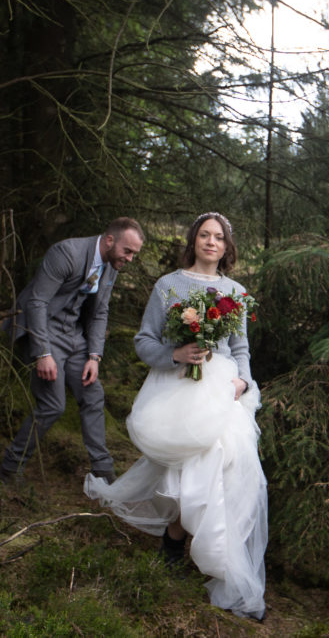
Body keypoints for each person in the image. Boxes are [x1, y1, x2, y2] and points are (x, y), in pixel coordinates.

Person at [84, 212, 267, 621]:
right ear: (193, 240)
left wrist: (243, 384)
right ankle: (175, 537)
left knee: (225, 472)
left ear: (227, 246)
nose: (211, 242)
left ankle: (213, 558)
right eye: (204, 234)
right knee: (188, 477)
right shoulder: (168, 285)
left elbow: (240, 348)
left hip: (223, 390)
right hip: (179, 387)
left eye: (219, 237)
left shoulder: (235, 290)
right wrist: (176, 355)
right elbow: (144, 340)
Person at [0, 217, 145, 484]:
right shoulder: (67, 253)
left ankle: (102, 470)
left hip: (74, 335)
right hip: (44, 328)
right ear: (110, 240)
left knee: (93, 395)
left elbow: (100, 312)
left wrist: (94, 356)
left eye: (134, 254)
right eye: (128, 251)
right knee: (53, 405)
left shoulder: (112, 265)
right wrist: (42, 353)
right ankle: (11, 465)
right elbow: (37, 302)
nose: (130, 259)